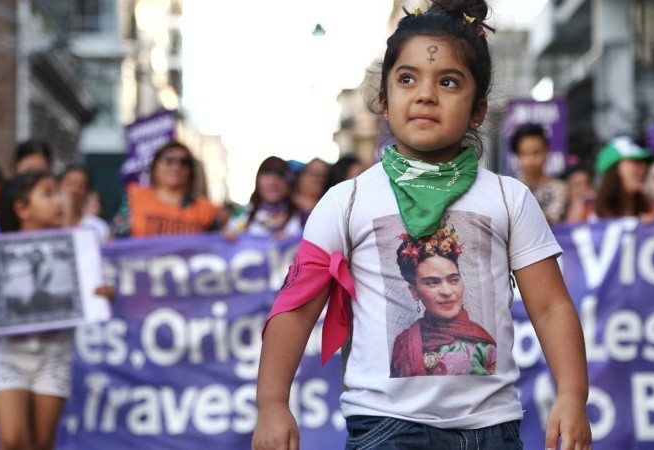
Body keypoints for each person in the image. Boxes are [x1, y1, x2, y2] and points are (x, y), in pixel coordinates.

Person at [252, 2, 591, 449]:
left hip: (492, 430)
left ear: (477, 110)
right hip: (386, 429)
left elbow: (550, 307)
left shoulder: (509, 198)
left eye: (448, 82)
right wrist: (272, 404)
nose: (426, 95)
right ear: (383, 101)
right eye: (407, 79)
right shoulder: (345, 202)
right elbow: (295, 310)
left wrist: (572, 395)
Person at [0, 169, 114, 450]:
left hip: (54, 357)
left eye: (58, 193)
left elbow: (93, 295)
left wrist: (103, 295)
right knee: (11, 441)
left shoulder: (77, 248)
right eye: (48, 194)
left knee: (41, 444)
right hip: (8, 356)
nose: (59, 200)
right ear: (22, 209)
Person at [390, 226, 497, 377]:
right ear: (414, 291)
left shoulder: (483, 346)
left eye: (453, 280)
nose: (446, 292)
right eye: (432, 282)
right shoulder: (404, 344)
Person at [110, 141, 220, 238]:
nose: (176, 167)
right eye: (168, 160)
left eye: (184, 162)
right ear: (154, 167)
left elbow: (219, 244)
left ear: (191, 170)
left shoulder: (207, 210)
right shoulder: (133, 199)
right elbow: (114, 241)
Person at [226, 156, 304, 238]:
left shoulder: (301, 216)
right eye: (267, 174)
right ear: (257, 180)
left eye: (281, 174)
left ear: (289, 183)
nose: (274, 181)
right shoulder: (242, 215)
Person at [509, 123, 569, 224]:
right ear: (517, 155)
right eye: (524, 153)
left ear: (547, 152)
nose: (530, 160)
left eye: (536, 153)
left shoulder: (560, 188)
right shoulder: (511, 188)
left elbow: (551, 220)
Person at [594, 136, 654, 221]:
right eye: (635, 161)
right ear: (614, 169)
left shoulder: (651, 209)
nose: (643, 168)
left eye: (644, 163)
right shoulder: (586, 211)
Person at [57, 164, 110, 242]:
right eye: (69, 184)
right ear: (57, 186)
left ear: (87, 193)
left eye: (80, 186)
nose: (74, 190)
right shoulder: (47, 225)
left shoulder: (99, 227)